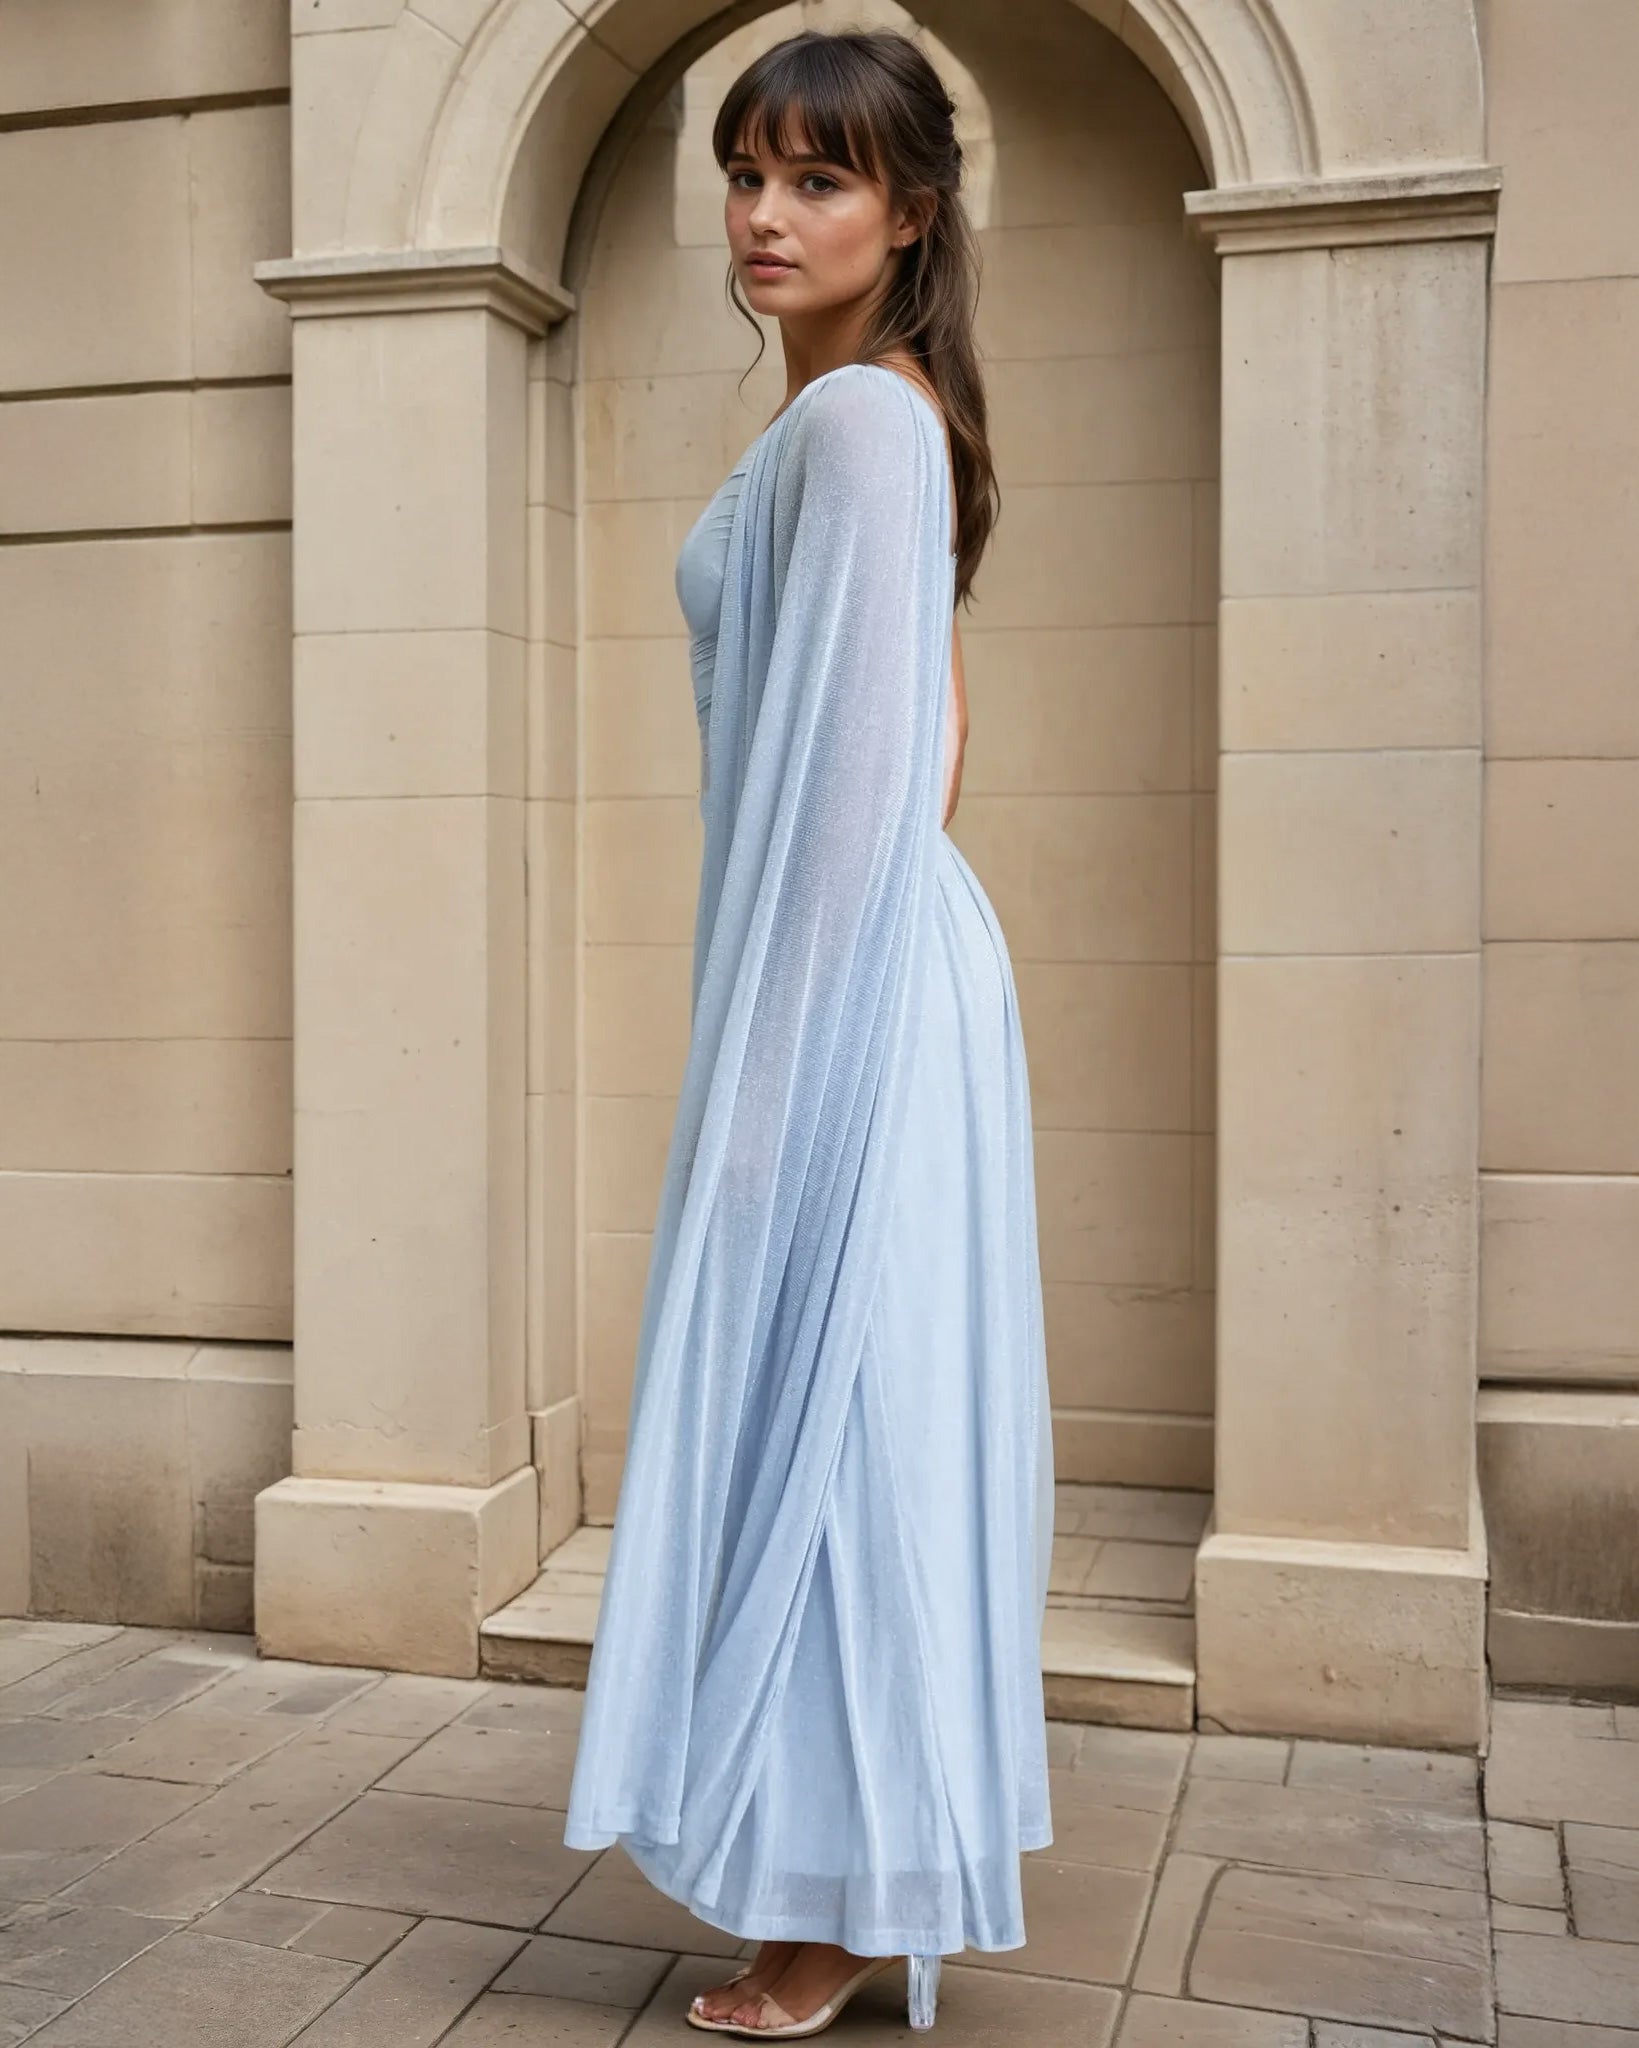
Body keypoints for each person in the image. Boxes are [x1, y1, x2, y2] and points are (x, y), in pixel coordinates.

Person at [561, 26, 1054, 2039]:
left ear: (908, 211)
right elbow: (927, 738)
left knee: (844, 1420)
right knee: (845, 1423)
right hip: (863, 970)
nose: (764, 215)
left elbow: (866, 800)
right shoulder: (862, 418)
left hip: (847, 988)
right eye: (747, 174)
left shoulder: (862, 420)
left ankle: (834, 1914)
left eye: (818, 180)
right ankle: (829, 1878)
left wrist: (774, 1093)